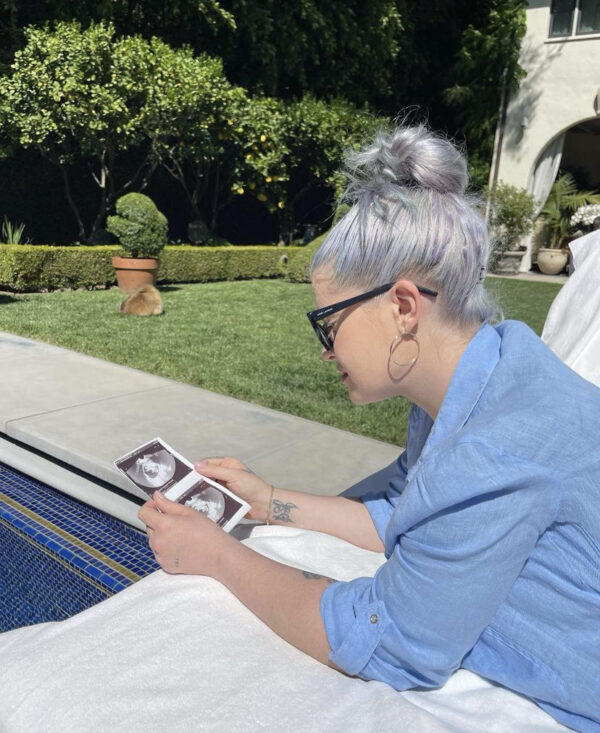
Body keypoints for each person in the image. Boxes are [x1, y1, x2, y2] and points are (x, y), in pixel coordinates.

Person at [139, 124, 600, 733]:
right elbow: (406, 515)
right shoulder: (489, 376)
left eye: (328, 323)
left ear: (403, 307)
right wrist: (267, 502)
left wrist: (217, 556)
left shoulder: (493, 447)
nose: (325, 349)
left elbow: (391, 641)